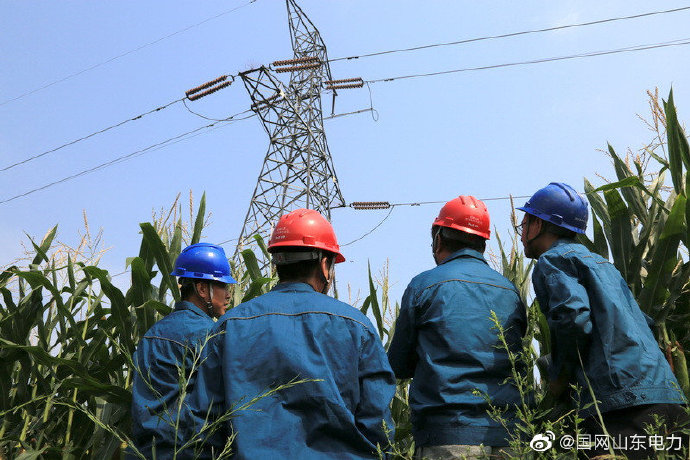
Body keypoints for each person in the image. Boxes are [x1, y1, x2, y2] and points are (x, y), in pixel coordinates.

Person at [195, 208, 396, 459]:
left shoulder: (229, 326)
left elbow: (204, 420)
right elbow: (377, 422)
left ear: (276, 262)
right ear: (325, 265)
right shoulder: (356, 326)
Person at [517, 182, 688, 459]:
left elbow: (573, 319)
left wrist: (559, 376)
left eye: (524, 224)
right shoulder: (603, 265)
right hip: (667, 397)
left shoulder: (553, 261)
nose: (522, 234)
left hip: (621, 404)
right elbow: (645, 323)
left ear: (538, 224)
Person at [387, 196, 527, 460]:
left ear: (438, 239)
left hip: (446, 435)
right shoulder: (509, 291)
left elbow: (399, 364)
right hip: (509, 437)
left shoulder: (424, 285)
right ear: (483, 243)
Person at [130, 242, 235, 459]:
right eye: (224, 286)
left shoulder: (151, 335)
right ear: (202, 289)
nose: (228, 296)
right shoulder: (209, 335)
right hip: (187, 451)